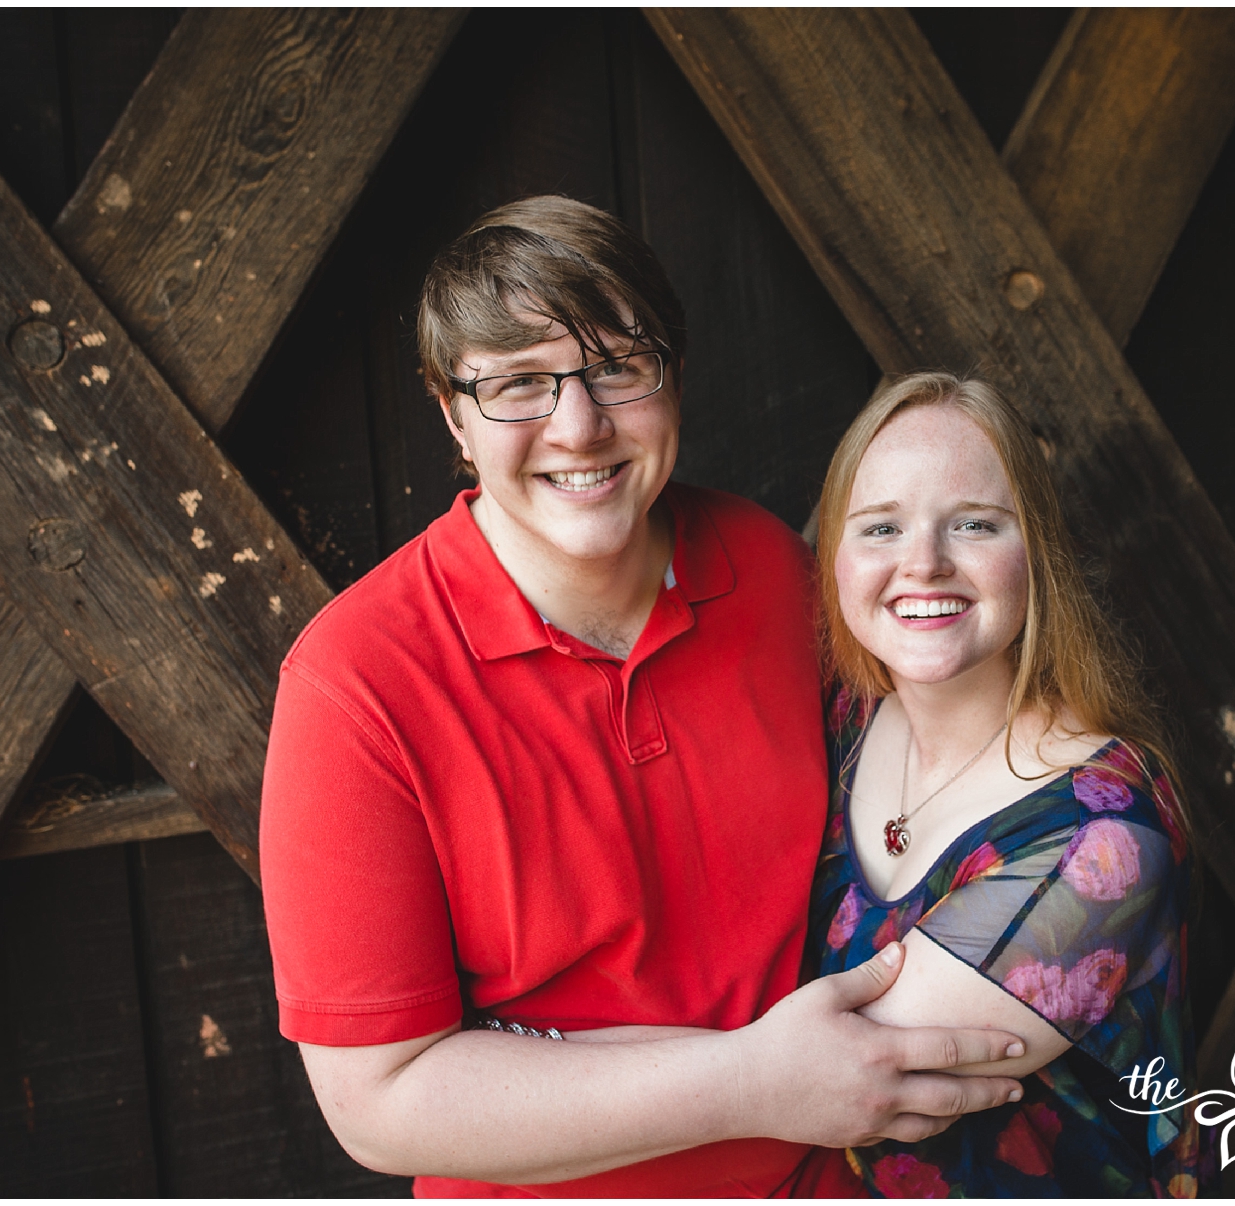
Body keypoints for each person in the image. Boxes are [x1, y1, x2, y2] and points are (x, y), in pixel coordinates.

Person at [257, 198, 1027, 1197]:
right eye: (522, 384)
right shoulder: (357, 685)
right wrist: (751, 1085)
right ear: (452, 415)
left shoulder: (776, 571)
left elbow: (948, 775)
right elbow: (380, 1102)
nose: (578, 428)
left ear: (672, 377)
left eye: (617, 368)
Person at [806, 372, 1207, 1197]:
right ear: (837, 562)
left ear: (1038, 554)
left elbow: (851, 1081)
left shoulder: (1106, 830)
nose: (923, 564)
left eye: (975, 525)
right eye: (880, 526)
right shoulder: (839, 718)